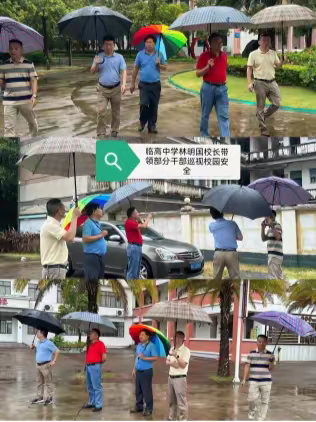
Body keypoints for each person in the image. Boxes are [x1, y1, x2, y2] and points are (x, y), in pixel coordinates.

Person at [247, 33, 284, 137]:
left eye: (268, 40)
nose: (266, 42)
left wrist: (281, 61)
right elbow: (249, 69)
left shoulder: (273, 53)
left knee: (277, 103)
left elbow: (278, 66)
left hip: (272, 82)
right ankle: (263, 129)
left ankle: (261, 115)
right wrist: (249, 83)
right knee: (260, 106)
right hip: (259, 83)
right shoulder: (253, 54)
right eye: (263, 40)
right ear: (259, 42)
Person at [0, 39, 38, 137]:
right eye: (11, 49)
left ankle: (32, 142)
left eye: (16, 48)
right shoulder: (4, 65)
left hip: (26, 100)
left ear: (21, 50)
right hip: (9, 101)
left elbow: (34, 80)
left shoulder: (29, 64)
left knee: (33, 124)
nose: (13, 51)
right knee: (8, 128)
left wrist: (34, 96)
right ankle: (11, 150)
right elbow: (2, 82)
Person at [91, 35, 127, 138]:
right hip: (102, 89)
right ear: (103, 45)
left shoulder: (119, 57)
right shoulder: (98, 56)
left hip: (116, 88)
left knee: (116, 112)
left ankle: (114, 130)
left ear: (114, 45)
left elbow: (123, 71)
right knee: (101, 111)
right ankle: (101, 132)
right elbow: (92, 71)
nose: (108, 47)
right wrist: (97, 64)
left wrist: (124, 84)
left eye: (110, 44)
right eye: (106, 44)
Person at [130, 35, 167, 134]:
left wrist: (159, 64)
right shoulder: (140, 55)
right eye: (147, 42)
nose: (148, 44)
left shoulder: (159, 54)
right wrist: (132, 83)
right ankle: (142, 122)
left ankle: (152, 125)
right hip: (144, 85)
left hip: (155, 84)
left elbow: (165, 67)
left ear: (155, 44)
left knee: (154, 106)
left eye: (150, 42)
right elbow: (136, 69)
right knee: (144, 104)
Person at [196, 33, 230, 137]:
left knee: (224, 116)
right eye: (217, 41)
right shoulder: (204, 56)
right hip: (208, 88)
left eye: (221, 41)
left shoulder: (224, 55)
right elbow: (197, 74)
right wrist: (207, 67)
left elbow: (224, 68)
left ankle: (226, 138)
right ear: (210, 43)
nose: (220, 44)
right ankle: (204, 136)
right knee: (205, 115)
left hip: (222, 88)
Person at [40, 199, 80, 280]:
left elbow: (68, 237)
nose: (65, 210)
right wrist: (74, 216)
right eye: (63, 208)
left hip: (54, 269)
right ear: (59, 211)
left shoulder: (54, 225)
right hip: (54, 270)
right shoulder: (51, 225)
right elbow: (70, 236)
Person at [242, 334, 275, 421]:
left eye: (264, 341)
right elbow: (247, 366)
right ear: (256, 343)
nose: (262, 343)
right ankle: (251, 410)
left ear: (266, 343)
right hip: (253, 380)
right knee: (251, 399)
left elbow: (271, 369)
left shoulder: (270, 354)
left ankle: (261, 418)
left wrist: (271, 361)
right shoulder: (251, 353)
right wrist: (244, 379)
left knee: (265, 401)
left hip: (266, 381)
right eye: (260, 341)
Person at [209, 206, 243, 281]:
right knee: (235, 278)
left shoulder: (211, 225)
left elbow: (214, 231)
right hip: (231, 253)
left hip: (218, 253)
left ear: (212, 215)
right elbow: (240, 237)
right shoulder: (232, 224)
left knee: (216, 279)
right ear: (222, 213)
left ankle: (216, 292)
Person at [131, 329, 158, 417]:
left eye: (142, 335)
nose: (140, 336)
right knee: (138, 390)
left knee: (147, 391)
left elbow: (155, 358)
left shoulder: (151, 346)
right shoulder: (139, 345)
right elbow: (137, 358)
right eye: (140, 335)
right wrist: (134, 369)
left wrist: (144, 358)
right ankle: (139, 406)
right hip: (138, 371)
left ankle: (149, 408)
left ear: (147, 336)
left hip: (147, 371)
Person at [30, 328, 60, 405]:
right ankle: (39, 397)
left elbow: (57, 351)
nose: (36, 333)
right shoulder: (38, 342)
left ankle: (50, 398)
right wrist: (33, 347)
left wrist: (54, 361)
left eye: (38, 332)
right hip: (38, 365)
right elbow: (40, 351)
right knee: (39, 382)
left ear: (42, 333)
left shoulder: (48, 343)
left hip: (46, 365)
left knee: (48, 382)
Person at [166, 331, 190, 421]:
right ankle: (172, 418)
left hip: (180, 378)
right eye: (175, 337)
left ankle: (183, 419)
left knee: (181, 402)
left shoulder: (186, 351)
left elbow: (183, 365)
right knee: (172, 401)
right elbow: (167, 361)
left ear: (183, 339)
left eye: (179, 337)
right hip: (170, 378)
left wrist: (177, 356)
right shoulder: (172, 348)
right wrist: (173, 363)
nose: (177, 339)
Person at [124, 207, 152, 280]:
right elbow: (144, 226)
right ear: (132, 214)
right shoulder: (129, 222)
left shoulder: (134, 222)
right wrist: (148, 217)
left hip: (137, 247)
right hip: (133, 247)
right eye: (136, 212)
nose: (138, 214)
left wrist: (140, 219)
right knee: (132, 272)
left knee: (136, 272)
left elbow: (143, 224)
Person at [82, 203, 107, 281]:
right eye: (99, 208)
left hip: (99, 257)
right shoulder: (88, 223)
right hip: (92, 257)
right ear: (93, 211)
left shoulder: (97, 223)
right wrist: (101, 235)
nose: (101, 210)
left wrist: (101, 234)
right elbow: (85, 238)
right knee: (92, 282)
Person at [83, 328, 107, 412]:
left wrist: (97, 364)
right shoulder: (89, 344)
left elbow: (104, 358)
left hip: (95, 366)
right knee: (89, 386)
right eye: (90, 333)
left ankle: (98, 405)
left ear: (96, 335)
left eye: (92, 333)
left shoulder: (100, 344)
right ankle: (91, 402)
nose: (90, 335)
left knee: (97, 386)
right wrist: (85, 349)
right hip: (88, 366)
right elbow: (88, 355)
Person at [261, 211, 283, 279]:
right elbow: (264, 239)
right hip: (273, 256)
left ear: (272, 217)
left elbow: (278, 237)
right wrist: (262, 228)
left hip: (274, 257)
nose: (265, 218)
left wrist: (272, 226)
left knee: (272, 277)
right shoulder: (270, 229)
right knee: (278, 276)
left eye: (266, 217)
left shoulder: (277, 226)